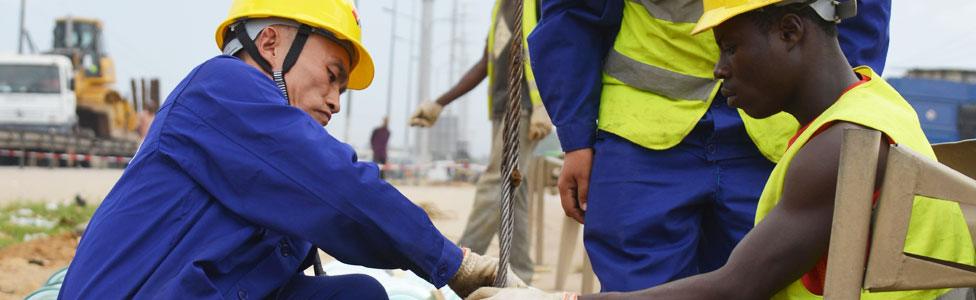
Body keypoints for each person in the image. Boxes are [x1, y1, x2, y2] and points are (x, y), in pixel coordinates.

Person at [470, 0, 976, 299]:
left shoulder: (838, 147)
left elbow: (733, 288)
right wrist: (577, 134)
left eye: (729, 49)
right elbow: (571, 16)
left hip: (770, 134)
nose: (717, 65)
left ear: (792, 32)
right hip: (647, 131)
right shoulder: (874, 112)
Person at [57, 0, 525, 298]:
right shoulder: (221, 90)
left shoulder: (262, 141)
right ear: (270, 42)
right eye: (332, 75)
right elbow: (342, 190)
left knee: (358, 296)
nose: (336, 101)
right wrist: (456, 265)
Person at [409, 0, 551, 283]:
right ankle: (521, 274)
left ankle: (455, 268)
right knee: (514, 191)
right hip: (503, 109)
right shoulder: (502, 7)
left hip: (523, 107)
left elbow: (557, 48)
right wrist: (439, 103)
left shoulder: (535, 3)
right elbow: (486, 62)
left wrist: (544, 104)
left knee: (494, 183)